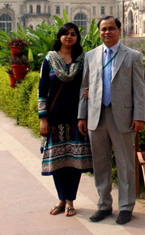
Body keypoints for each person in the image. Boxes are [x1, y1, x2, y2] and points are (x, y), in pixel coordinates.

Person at [78, 16, 145, 226]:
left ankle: (126, 207)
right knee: (100, 163)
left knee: (125, 164)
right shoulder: (90, 56)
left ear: (119, 30)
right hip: (96, 116)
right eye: (103, 29)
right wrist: (82, 115)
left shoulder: (132, 56)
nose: (107, 32)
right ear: (99, 32)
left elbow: (139, 89)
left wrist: (139, 117)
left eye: (111, 29)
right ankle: (103, 205)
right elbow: (84, 87)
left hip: (123, 117)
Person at [39, 23, 91, 218]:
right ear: (59, 37)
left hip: (76, 117)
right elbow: (42, 90)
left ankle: (70, 200)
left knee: (74, 161)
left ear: (77, 38)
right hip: (55, 117)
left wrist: (89, 92)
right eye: (65, 34)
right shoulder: (49, 60)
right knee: (57, 161)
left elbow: (89, 83)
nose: (69, 37)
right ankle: (62, 198)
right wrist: (43, 118)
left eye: (73, 34)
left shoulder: (82, 60)